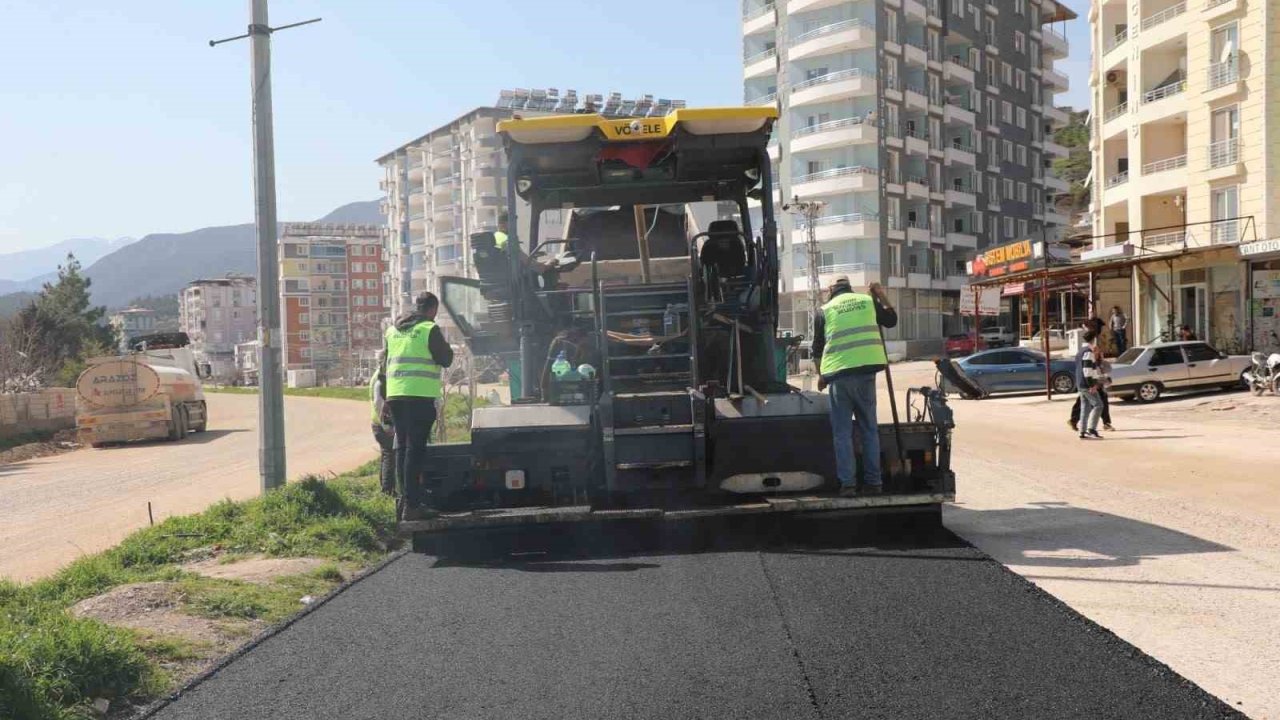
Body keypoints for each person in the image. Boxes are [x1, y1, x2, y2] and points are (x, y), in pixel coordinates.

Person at [812, 278, 898, 497]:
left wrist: (821, 376)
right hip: (866, 375)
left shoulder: (825, 310)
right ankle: (874, 483)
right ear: (849, 287)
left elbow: (817, 349)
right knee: (869, 429)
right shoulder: (867, 301)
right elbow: (891, 319)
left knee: (842, 434)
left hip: (839, 377)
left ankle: (848, 485)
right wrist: (879, 293)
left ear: (831, 290)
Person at [382, 292, 454, 520]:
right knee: (415, 450)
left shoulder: (392, 331)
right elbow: (446, 359)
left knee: (402, 448)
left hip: (395, 396)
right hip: (418, 397)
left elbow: (384, 366)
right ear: (432, 309)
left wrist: (384, 398)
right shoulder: (428, 329)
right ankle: (412, 506)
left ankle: (405, 503)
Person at [1068, 317, 1114, 431]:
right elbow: (1088, 366)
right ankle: (1094, 426)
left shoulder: (1091, 342)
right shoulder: (1089, 344)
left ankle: (1078, 422)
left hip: (1090, 379)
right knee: (1096, 402)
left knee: (1088, 401)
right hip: (1091, 379)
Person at [368, 351, 395, 496]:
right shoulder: (380, 379)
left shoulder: (379, 376)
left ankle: (386, 489)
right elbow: (379, 402)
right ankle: (388, 491)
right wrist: (387, 425)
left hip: (378, 424)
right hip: (382, 425)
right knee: (390, 457)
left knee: (387, 456)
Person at [1077, 331, 1104, 439]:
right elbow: (1087, 370)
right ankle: (1091, 429)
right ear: (1094, 339)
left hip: (1080, 383)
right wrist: (1091, 385)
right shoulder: (1088, 352)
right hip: (1086, 384)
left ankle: (1082, 431)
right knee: (1098, 405)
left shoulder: (1080, 352)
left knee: (1085, 407)